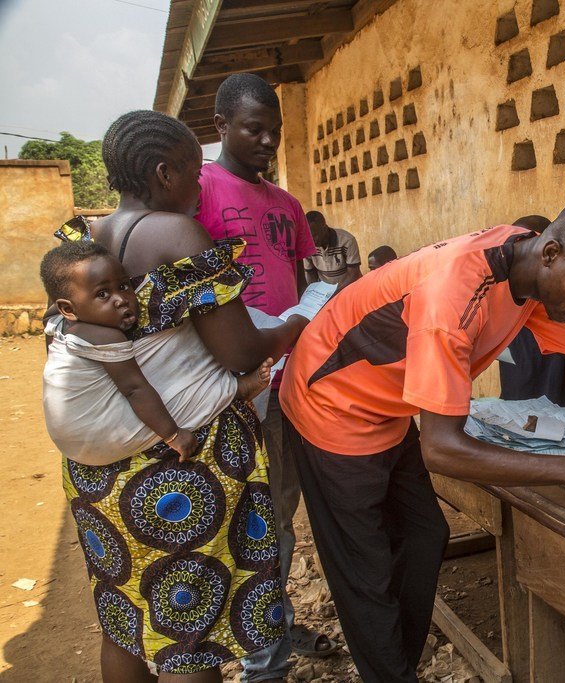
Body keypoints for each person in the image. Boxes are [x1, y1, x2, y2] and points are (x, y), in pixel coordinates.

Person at [279, 198, 565, 682]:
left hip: (386, 408)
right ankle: (389, 670)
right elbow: (442, 449)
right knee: (366, 568)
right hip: (328, 406)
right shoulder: (452, 298)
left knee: (424, 535)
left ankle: (394, 664)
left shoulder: (530, 272)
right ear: (552, 252)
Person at [53, 110, 307, 681]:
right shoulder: (175, 233)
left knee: (126, 618)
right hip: (176, 464)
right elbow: (241, 352)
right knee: (189, 628)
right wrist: (293, 325)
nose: (200, 188)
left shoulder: (87, 242)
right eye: (194, 174)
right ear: (166, 173)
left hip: (103, 471)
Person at [194, 73, 333, 673]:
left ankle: (268, 633)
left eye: (275, 131)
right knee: (235, 516)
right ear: (221, 126)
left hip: (283, 379)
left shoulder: (287, 205)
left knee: (276, 509)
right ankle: (251, 651)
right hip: (229, 382)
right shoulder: (196, 187)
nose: (268, 141)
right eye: (255, 129)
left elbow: (298, 283)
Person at [41, 240, 272, 462]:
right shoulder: (105, 336)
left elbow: (49, 314)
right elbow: (134, 389)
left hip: (70, 447)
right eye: (103, 294)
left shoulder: (58, 322)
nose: (121, 300)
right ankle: (233, 390)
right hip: (99, 439)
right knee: (178, 394)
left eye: (124, 286)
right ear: (68, 308)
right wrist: (173, 435)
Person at [498, 215, 565, 411]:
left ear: (549, 254)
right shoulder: (503, 303)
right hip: (513, 423)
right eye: (513, 249)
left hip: (561, 426)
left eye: (527, 248)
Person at [303, 210, 362, 287]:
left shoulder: (347, 240)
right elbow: (310, 273)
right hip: (326, 292)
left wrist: (336, 294)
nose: (311, 240)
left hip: (350, 289)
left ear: (324, 228)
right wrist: (317, 292)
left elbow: (353, 275)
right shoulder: (308, 245)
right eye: (308, 236)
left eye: (314, 235)